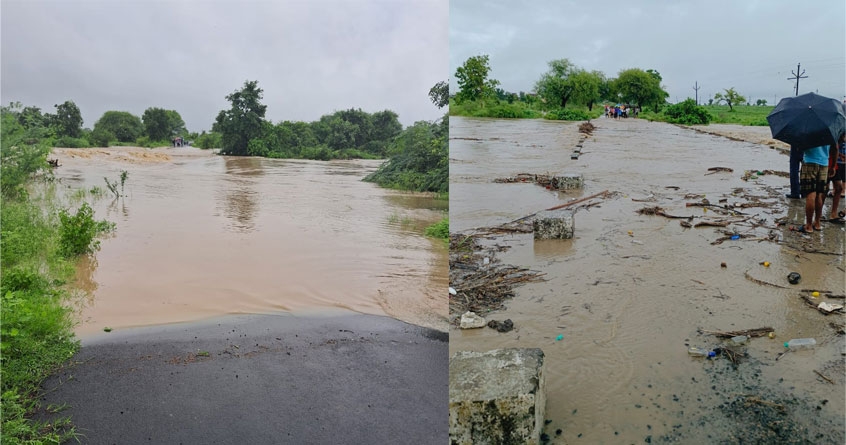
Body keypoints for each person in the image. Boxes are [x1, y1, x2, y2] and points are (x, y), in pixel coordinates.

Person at [799, 144, 830, 232]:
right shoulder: (828, 131)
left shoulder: (808, 131)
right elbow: (835, 148)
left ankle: (808, 225)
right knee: (819, 194)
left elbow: (801, 147)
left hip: (809, 161)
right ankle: (817, 223)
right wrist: (833, 165)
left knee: (811, 193)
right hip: (824, 163)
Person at [827, 133, 845, 222]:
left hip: (834, 164)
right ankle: (818, 218)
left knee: (838, 188)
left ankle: (833, 214)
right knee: (823, 190)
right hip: (828, 163)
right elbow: (834, 149)